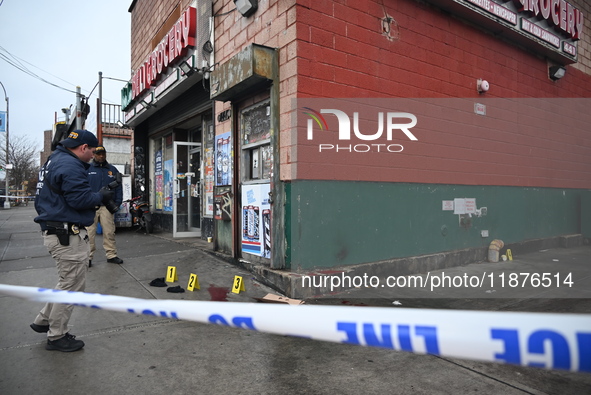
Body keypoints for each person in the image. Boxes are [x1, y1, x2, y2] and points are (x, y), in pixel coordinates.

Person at [31, 130, 115, 352]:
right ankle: (57, 336)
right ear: (83, 148)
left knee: (67, 281)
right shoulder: (70, 165)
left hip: (57, 230)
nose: (93, 156)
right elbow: (79, 199)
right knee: (71, 285)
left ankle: (44, 320)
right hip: (65, 234)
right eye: (93, 151)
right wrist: (101, 197)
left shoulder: (55, 160)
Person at [86, 146, 124, 266]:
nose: (101, 156)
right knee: (89, 234)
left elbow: (118, 187)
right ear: (94, 155)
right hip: (91, 206)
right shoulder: (87, 169)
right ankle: (88, 258)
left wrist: (117, 203)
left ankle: (111, 255)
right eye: (98, 154)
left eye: (103, 154)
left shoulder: (112, 170)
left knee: (109, 232)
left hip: (107, 207)